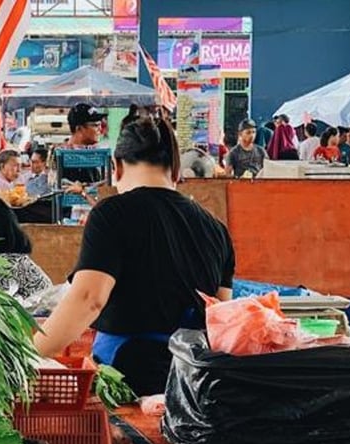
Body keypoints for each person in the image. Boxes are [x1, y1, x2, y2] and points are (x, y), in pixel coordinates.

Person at [34, 116, 235, 396]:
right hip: (191, 388)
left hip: (127, 381)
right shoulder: (216, 229)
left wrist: (27, 354)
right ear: (175, 168)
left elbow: (88, 299)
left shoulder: (111, 214)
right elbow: (222, 319)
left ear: (116, 166)